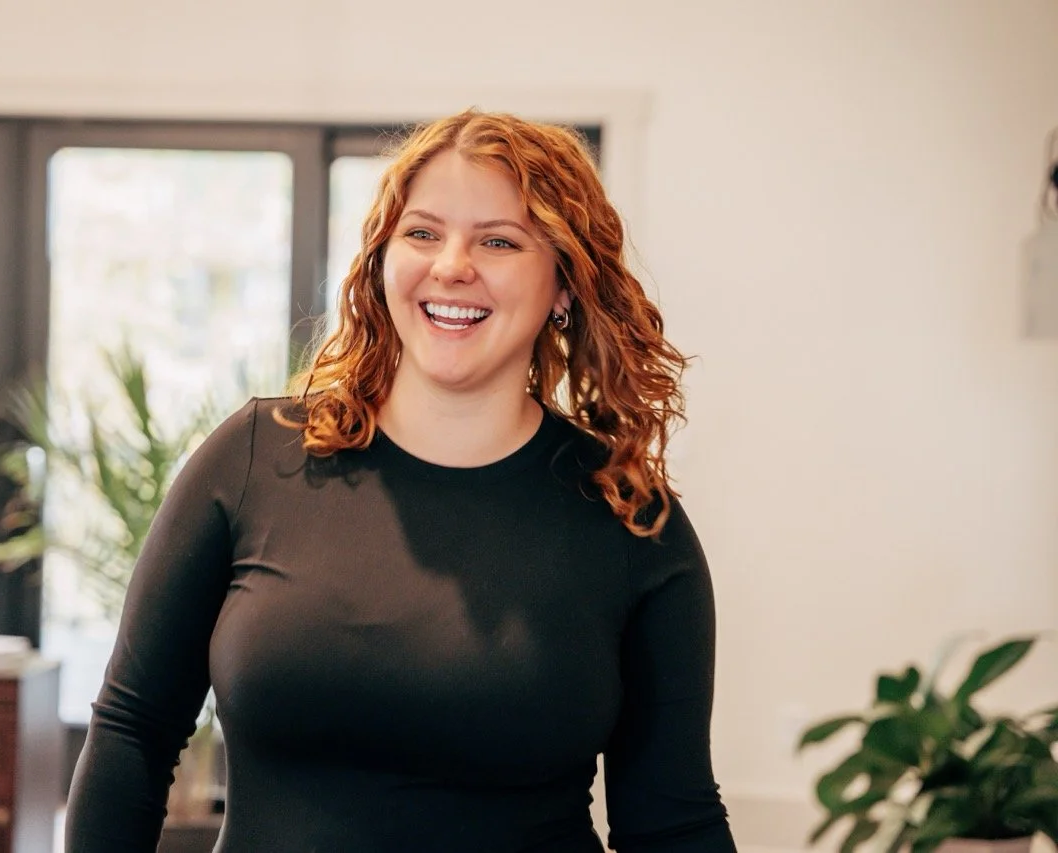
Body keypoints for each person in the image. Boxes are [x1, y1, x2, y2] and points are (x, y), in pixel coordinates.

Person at [64, 109, 736, 853]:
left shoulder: (631, 521)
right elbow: (132, 734)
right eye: (422, 232)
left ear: (564, 286)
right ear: (384, 259)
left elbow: (672, 822)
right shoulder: (255, 458)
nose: (452, 264)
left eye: (499, 240)